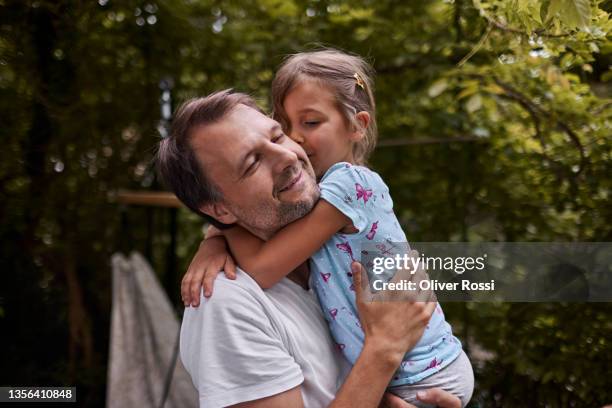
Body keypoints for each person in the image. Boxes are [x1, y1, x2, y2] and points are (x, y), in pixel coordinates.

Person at [181, 50, 473, 407]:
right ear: (219, 208)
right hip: (412, 368)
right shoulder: (226, 303)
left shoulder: (347, 186)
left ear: (356, 126)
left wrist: (219, 234)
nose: (293, 145)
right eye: (286, 125)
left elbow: (262, 266)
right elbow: (260, 268)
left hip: (425, 372)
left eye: (307, 125)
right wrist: (214, 237)